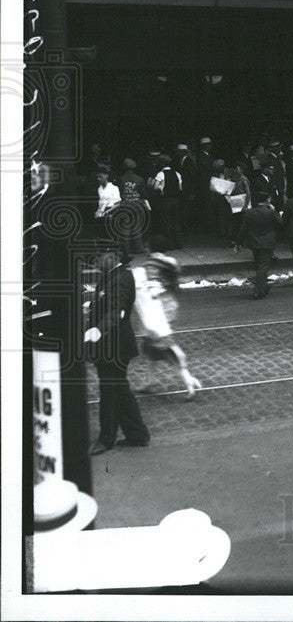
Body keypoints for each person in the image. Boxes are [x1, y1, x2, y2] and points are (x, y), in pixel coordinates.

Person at [85, 247, 150, 454]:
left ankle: (106, 439)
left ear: (112, 257)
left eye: (99, 258)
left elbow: (117, 311)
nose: (95, 262)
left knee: (110, 393)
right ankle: (137, 434)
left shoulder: (120, 279)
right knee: (120, 390)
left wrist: (98, 329)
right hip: (111, 345)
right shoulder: (112, 275)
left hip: (115, 346)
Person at [130, 243, 202, 398]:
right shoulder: (169, 263)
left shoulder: (152, 265)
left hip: (160, 310)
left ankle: (187, 379)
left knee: (162, 345)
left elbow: (153, 286)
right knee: (153, 348)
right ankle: (150, 381)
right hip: (166, 306)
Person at [233, 192, 283, 300]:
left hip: (254, 242)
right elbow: (281, 224)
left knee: (259, 265)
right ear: (268, 200)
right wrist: (276, 211)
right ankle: (258, 291)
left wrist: (238, 243)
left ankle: (262, 287)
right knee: (263, 267)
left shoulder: (249, 213)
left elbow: (243, 229)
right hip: (268, 242)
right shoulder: (271, 212)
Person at [117, 158, 149, 256]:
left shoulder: (120, 179)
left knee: (125, 228)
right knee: (137, 227)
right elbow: (144, 193)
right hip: (137, 205)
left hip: (125, 205)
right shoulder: (139, 179)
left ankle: (125, 249)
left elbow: (118, 192)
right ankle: (138, 248)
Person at [151, 154, 183, 249]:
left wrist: (160, 188)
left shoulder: (160, 174)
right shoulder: (177, 174)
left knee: (166, 222)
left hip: (165, 200)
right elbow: (180, 188)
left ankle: (170, 244)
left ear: (161, 163)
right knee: (176, 222)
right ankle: (179, 243)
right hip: (176, 200)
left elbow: (155, 187)